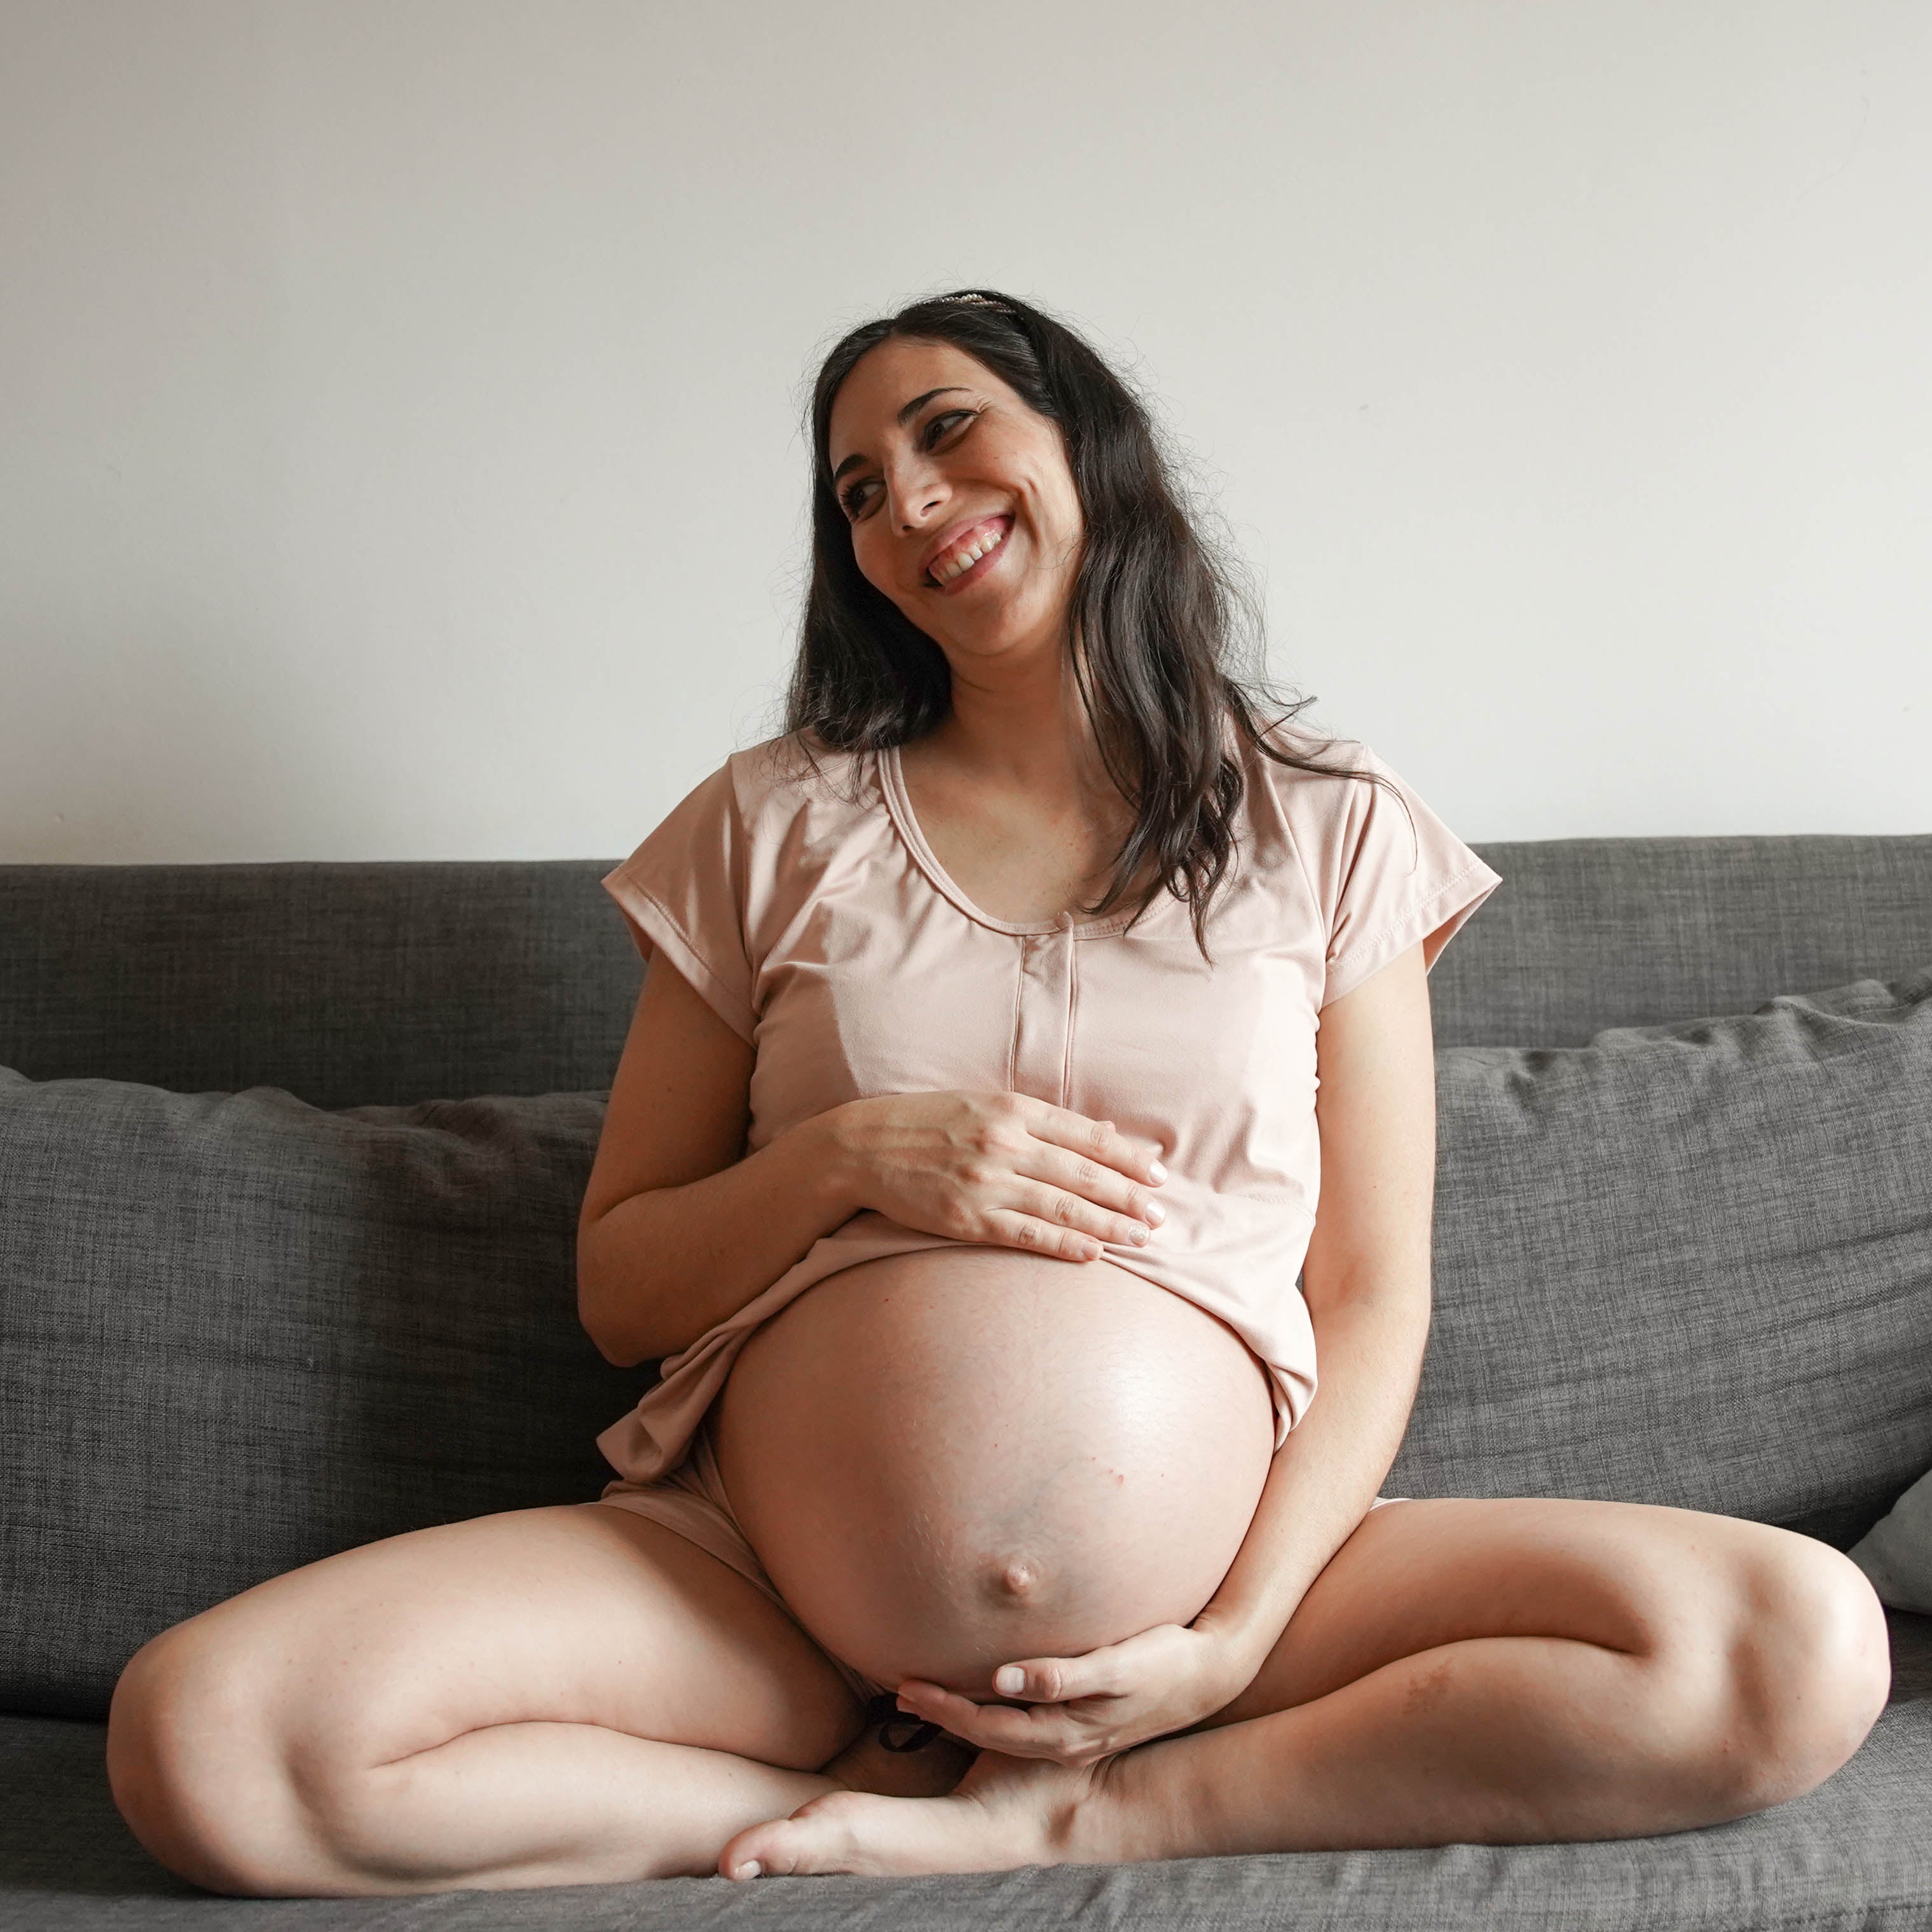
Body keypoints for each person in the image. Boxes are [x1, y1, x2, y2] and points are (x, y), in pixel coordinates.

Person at [104, 289, 1890, 1896]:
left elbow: (1370, 1297)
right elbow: (623, 1286)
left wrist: (1229, 1636)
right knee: (207, 1736)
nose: (907, 501)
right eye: (857, 491)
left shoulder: (1330, 826)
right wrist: (849, 1159)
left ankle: (1101, 1813)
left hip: (1212, 1613)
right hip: (763, 1602)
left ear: (1083, 440)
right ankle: (812, 1803)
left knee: (1795, 1644)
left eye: (945, 429)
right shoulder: (765, 826)